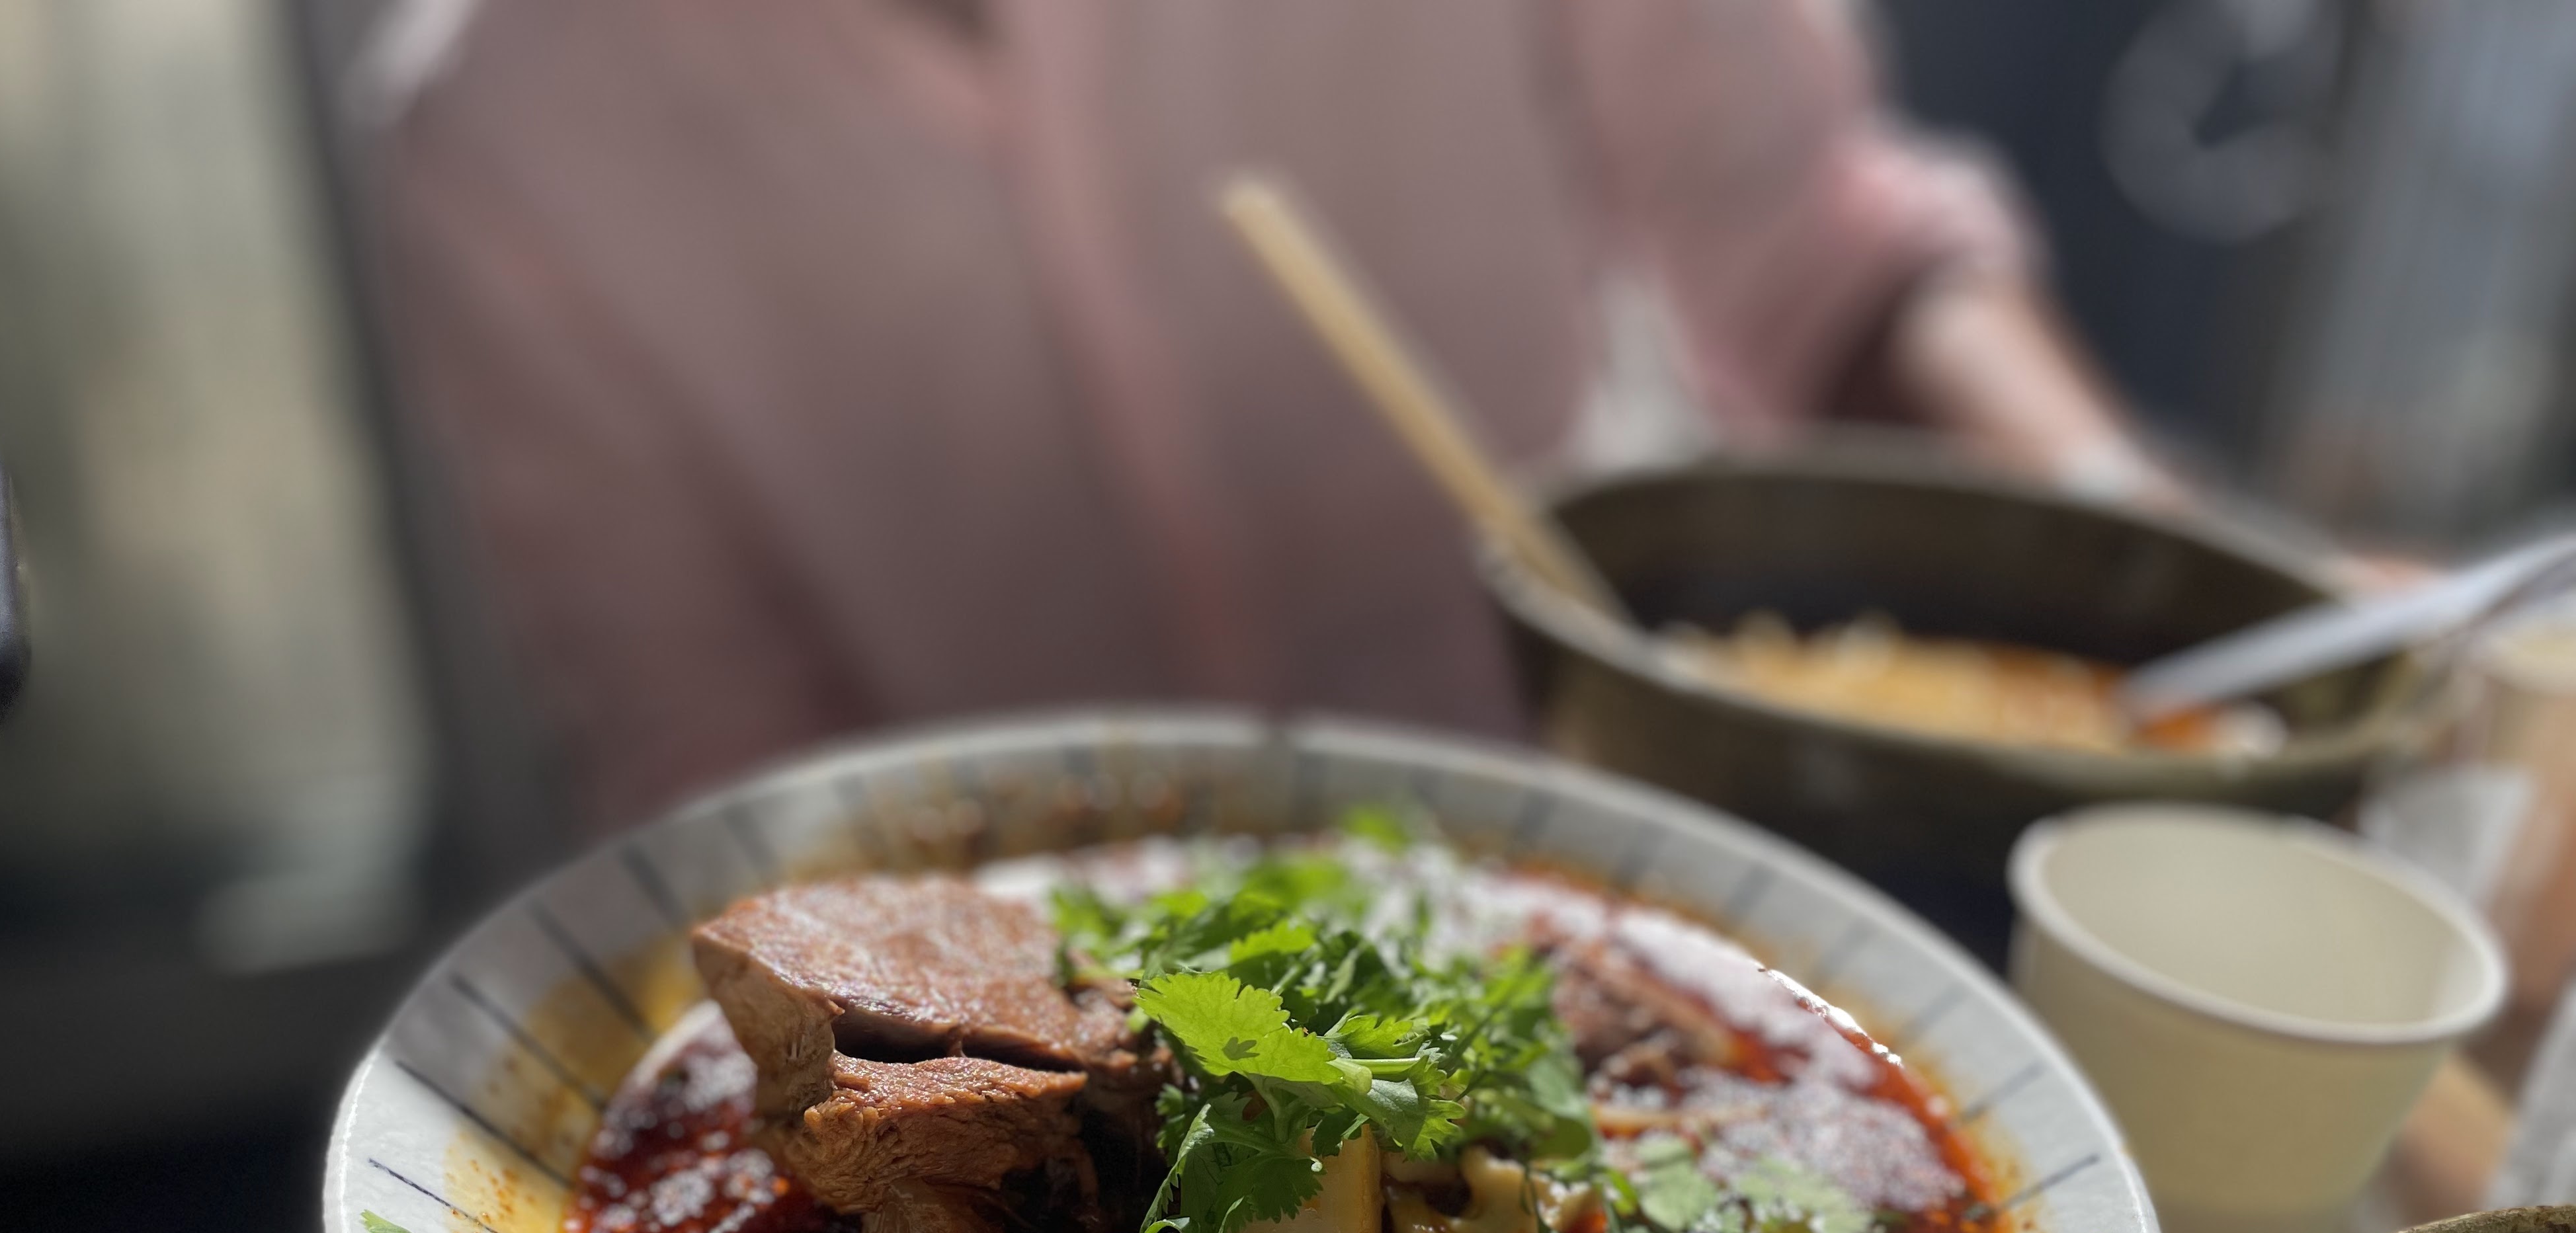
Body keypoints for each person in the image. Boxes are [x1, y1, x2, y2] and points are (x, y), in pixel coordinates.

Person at [355, 0, 2167, 834]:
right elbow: (718, 782)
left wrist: (2149, 556)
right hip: (1035, 1007)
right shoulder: (503, 134)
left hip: (1623, 855)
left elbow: (1826, 242)